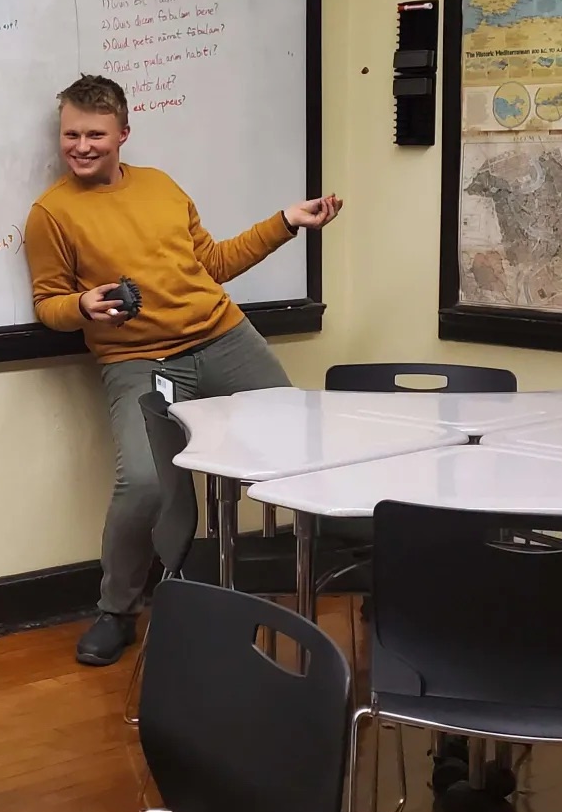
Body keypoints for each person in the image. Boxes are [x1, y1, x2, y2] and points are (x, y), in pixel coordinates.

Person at [24, 74, 342, 666]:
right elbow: (49, 305)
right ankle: (116, 610)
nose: (82, 146)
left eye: (95, 133)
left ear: (123, 132)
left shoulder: (162, 187)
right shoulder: (51, 214)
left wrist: (286, 221)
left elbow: (213, 263)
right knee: (145, 484)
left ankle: (306, 581)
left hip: (222, 338)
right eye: (71, 134)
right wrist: (82, 306)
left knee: (300, 439)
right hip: (136, 359)